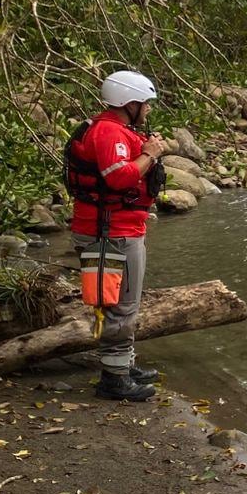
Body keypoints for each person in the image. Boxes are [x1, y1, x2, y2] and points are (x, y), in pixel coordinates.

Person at [65, 70, 168, 401]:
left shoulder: (111, 129)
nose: (149, 110)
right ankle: (114, 380)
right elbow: (120, 179)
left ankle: (124, 364)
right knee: (122, 306)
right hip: (111, 233)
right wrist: (150, 154)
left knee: (124, 302)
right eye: (146, 104)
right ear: (130, 103)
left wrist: (148, 148)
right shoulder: (109, 134)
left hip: (114, 230)